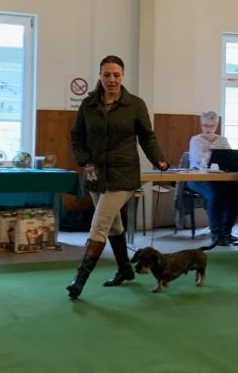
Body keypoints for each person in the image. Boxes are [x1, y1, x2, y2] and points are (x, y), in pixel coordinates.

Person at [67, 55, 168, 299]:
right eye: (107, 74)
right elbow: (76, 136)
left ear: (123, 76)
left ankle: (79, 280)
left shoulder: (135, 105)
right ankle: (125, 269)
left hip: (123, 175)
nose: (111, 79)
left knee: (99, 224)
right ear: (100, 76)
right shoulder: (88, 104)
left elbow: (147, 137)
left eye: (116, 75)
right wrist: (84, 159)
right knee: (113, 224)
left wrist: (159, 159)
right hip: (95, 175)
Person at [187, 111, 238, 246]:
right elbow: (200, 159)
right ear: (201, 125)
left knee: (237, 189)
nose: (208, 128)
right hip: (197, 177)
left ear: (216, 126)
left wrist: (209, 154)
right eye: (205, 125)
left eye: (211, 126)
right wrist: (209, 156)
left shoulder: (222, 140)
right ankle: (216, 234)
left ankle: (226, 232)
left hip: (220, 177)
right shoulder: (195, 140)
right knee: (215, 193)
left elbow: (230, 157)